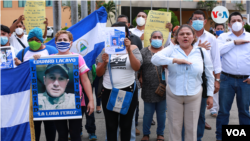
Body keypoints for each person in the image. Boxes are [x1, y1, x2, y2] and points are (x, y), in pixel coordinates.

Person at [151, 24, 214, 141]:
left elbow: (210, 75)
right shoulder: (172, 49)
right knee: (175, 128)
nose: (185, 36)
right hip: (174, 94)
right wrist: (175, 60)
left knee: (191, 129)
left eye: (188, 34)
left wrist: (210, 95)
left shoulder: (201, 51)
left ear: (193, 36)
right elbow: (154, 59)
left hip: (194, 95)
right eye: (181, 34)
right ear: (176, 37)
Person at [34, 30, 95, 141]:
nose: (62, 42)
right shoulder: (49, 58)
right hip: (54, 105)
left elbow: (85, 80)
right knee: (62, 134)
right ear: (55, 42)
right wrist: (37, 59)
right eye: (59, 40)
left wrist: (90, 100)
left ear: (71, 43)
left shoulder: (78, 58)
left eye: (65, 40)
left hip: (77, 103)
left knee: (75, 134)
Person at [96, 22, 142, 141]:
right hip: (108, 90)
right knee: (111, 126)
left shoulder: (134, 48)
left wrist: (129, 50)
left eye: (120, 31)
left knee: (126, 125)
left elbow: (137, 67)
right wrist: (105, 62)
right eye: (113, 30)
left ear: (126, 33)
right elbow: (99, 73)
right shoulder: (106, 49)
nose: (116, 33)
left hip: (128, 91)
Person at [14, 27, 58, 141]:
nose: (34, 42)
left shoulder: (51, 50)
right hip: (30, 94)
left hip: (48, 93)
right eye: (31, 39)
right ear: (27, 40)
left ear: (41, 40)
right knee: (35, 124)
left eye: (37, 39)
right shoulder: (23, 52)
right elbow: (17, 73)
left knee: (50, 123)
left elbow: (59, 66)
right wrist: (19, 65)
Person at [216, 12, 250, 141]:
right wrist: (234, 42)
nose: (236, 22)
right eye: (233, 20)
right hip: (226, 79)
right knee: (223, 111)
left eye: (238, 20)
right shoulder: (223, 37)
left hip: (245, 81)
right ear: (229, 24)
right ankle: (220, 137)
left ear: (243, 22)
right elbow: (218, 51)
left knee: (244, 111)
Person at [188, 10, 221, 139]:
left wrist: (217, 80)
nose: (197, 21)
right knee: (188, 114)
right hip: (189, 78)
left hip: (205, 79)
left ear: (205, 21)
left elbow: (216, 61)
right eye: (195, 19)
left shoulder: (211, 38)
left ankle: (199, 137)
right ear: (191, 21)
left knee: (201, 113)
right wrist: (198, 48)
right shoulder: (186, 36)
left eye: (200, 19)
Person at [117, 14, 143, 136]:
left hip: (131, 84)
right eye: (118, 24)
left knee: (130, 116)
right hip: (112, 86)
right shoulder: (107, 46)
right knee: (114, 118)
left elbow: (138, 64)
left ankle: (132, 134)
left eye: (124, 25)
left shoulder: (135, 41)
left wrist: (129, 50)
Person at [139, 31, 166, 141]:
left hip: (163, 87)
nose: (157, 39)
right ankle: (146, 134)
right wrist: (140, 76)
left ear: (163, 40)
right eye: (154, 37)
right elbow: (139, 67)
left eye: (159, 37)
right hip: (148, 87)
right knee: (148, 113)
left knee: (161, 113)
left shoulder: (167, 52)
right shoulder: (143, 52)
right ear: (150, 40)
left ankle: (160, 133)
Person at [209, 23, 225, 117]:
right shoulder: (212, 39)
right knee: (214, 89)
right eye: (218, 28)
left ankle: (221, 109)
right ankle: (213, 109)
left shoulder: (227, 39)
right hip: (214, 68)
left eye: (221, 28)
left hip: (225, 69)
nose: (220, 30)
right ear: (214, 29)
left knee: (223, 90)